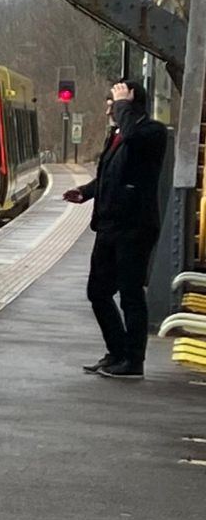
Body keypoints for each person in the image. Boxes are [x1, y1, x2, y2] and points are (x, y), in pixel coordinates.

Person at [64, 80, 168, 379]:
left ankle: (134, 361)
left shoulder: (151, 132)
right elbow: (110, 175)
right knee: (97, 292)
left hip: (135, 228)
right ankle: (117, 351)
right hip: (109, 226)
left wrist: (124, 105)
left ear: (131, 103)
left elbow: (134, 141)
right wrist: (86, 191)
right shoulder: (118, 134)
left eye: (115, 100)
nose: (109, 106)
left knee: (131, 294)